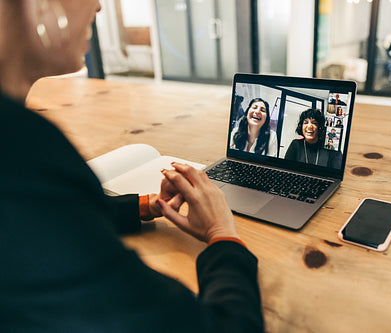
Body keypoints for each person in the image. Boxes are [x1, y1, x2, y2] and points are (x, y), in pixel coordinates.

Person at [0, 1, 264, 332]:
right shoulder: (22, 153)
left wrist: (148, 205)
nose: (98, 6)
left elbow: (42, 223)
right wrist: (223, 235)